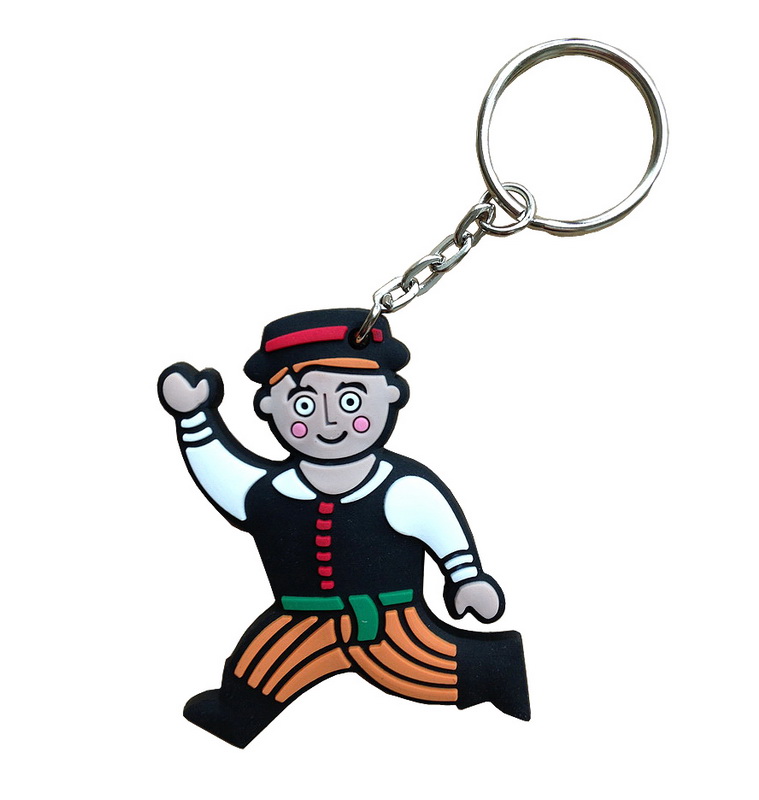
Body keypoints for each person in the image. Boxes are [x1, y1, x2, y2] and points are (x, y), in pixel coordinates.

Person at [158, 308, 529, 747]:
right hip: (299, 616)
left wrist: (466, 577)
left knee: (429, 671)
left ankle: (498, 668)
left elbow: (439, 526)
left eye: (350, 401)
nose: (330, 421)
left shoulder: (401, 487)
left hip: (388, 621)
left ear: (390, 394)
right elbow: (223, 473)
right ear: (268, 406)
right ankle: (236, 715)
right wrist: (193, 418)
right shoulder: (269, 491)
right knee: (259, 670)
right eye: (304, 405)